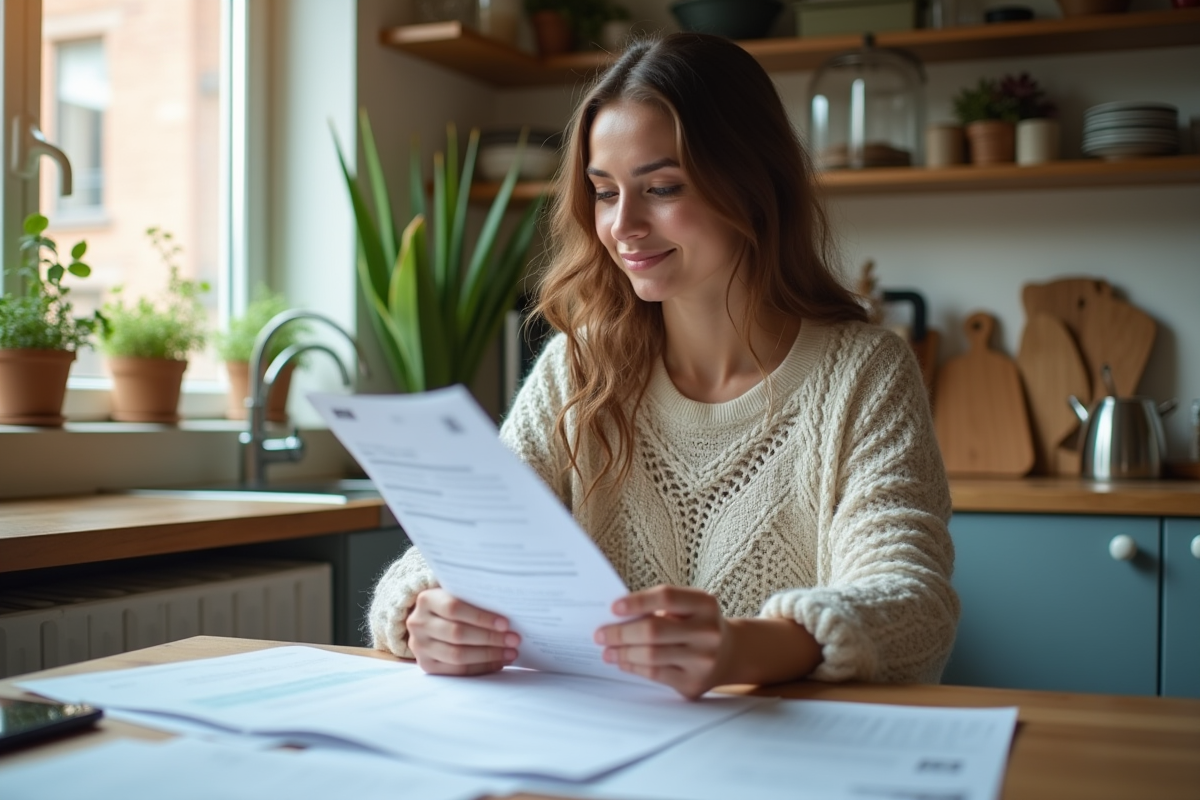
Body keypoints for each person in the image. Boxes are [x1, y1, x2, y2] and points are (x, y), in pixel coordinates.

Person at [367, 32, 958, 700]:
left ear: (752, 182)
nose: (622, 226)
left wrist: (742, 648)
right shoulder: (579, 367)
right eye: (604, 191)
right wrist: (423, 614)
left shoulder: (864, 373)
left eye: (662, 187)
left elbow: (912, 602)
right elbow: (455, 549)